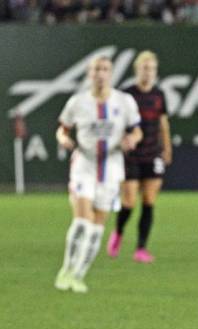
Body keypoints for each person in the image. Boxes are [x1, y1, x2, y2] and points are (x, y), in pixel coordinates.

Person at [54, 56, 142, 293]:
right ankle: (65, 270)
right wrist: (64, 140)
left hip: (112, 167)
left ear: (111, 73)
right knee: (82, 221)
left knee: (97, 228)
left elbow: (137, 131)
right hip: (85, 164)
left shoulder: (124, 102)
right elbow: (62, 130)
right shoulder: (77, 102)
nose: (100, 73)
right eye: (96, 69)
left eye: (105, 69)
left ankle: (79, 275)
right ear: (89, 74)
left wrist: (131, 139)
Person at [107, 50, 172, 263]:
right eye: (145, 68)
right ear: (137, 70)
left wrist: (167, 148)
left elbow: (163, 123)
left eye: (152, 68)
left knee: (149, 201)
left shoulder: (159, 95)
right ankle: (118, 232)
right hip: (132, 154)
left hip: (153, 153)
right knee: (129, 201)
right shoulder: (126, 95)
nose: (148, 72)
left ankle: (141, 248)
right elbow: (116, 123)